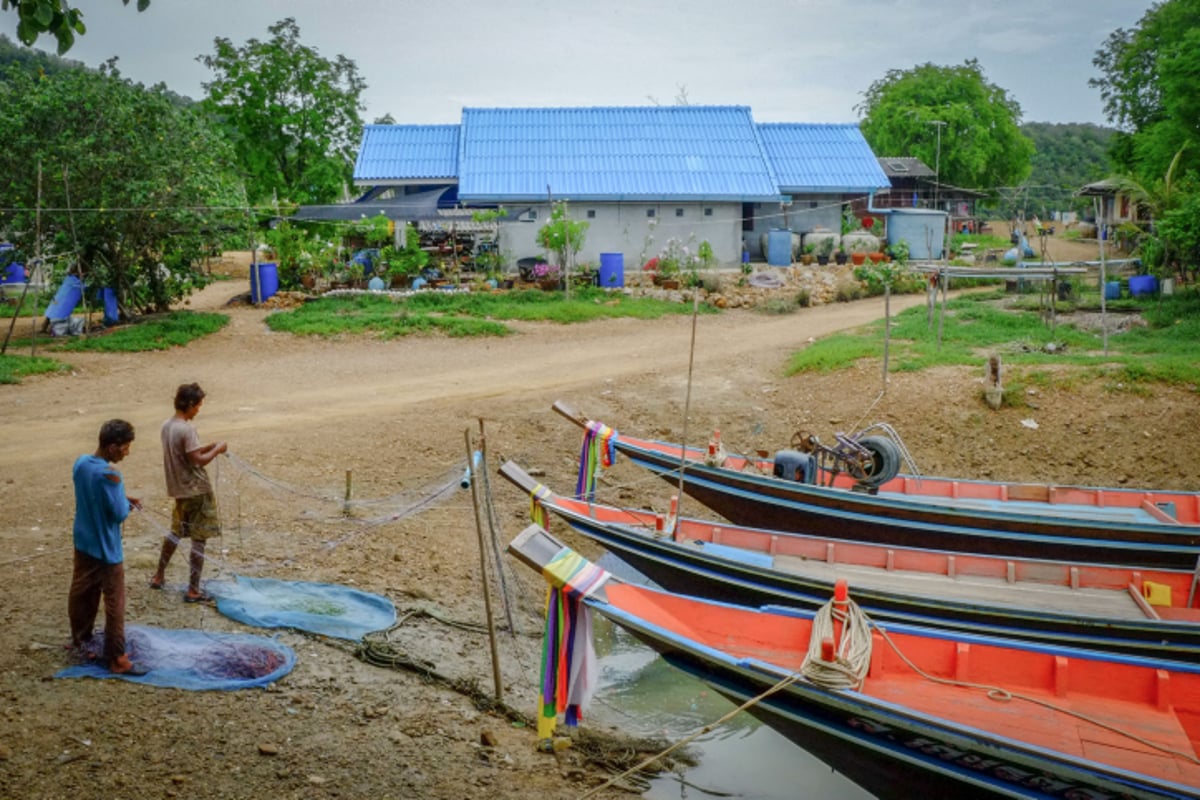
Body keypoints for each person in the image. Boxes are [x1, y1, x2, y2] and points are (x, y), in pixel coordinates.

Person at [68, 419, 143, 674]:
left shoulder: (80, 463)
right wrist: (125, 504)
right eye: (125, 447)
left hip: (83, 542)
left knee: (82, 592)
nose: (127, 453)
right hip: (106, 550)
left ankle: (81, 640)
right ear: (112, 447)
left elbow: (93, 493)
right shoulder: (111, 474)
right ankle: (117, 659)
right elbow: (117, 513)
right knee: (115, 604)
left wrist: (121, 496)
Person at [151, 383, 227, 602]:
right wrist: (218, 449)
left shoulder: (167, 425)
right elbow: (198, 460)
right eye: (198, 405)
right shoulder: (187, 429)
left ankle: (159, 576)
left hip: (180, 491)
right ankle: (193, 589)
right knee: (199, 540)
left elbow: (186, 453)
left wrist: (208, 446)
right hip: (197, 491)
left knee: (174, 533)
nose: (199, 410)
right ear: (190, 404)